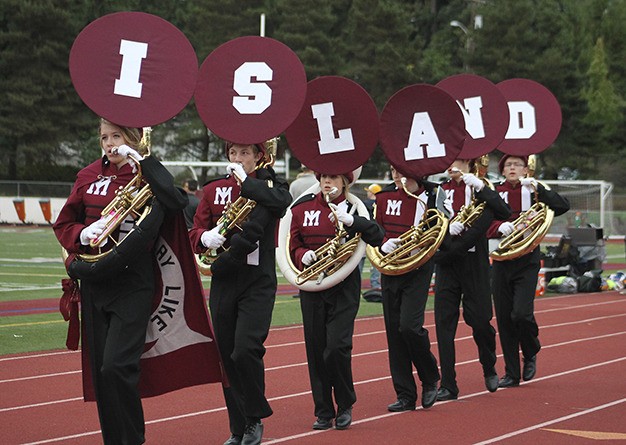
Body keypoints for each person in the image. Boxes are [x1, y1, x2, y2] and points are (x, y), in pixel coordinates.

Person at [53, 118, 188, 445]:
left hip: (133, 285)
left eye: (117, 136)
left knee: (117, 367)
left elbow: (174, 201)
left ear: (135, 137)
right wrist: (81, 233)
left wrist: (141, 159)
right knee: (103, 375)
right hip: (95, 285)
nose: (110, 144)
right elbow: (64, 224)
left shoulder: (147, 176)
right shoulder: (87, 175)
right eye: (105, 137)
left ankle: (132, 439)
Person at [189, 141, 291, 445]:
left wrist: (247, 182)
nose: (237, 159)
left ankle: (255, 417)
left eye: (244, 153)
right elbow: (194, 232)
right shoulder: (213, 189)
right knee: (226, 356)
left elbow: (280, 202)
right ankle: (239, 426)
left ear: (258, 156)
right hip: (223, 280)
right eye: (232, 153)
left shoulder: (270, 185)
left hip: (257, 280)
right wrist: (205, 237)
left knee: (246, 348)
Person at [289, 170, 383, 430]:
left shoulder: (356, 208)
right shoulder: (302, 208)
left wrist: (353, 222)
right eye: (323, 177)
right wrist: (302, 255)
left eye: (333, 177)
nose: (327, 181)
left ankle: (344, 404)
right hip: (313, 286)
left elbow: (377, 235)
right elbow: (292, 244)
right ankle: (323, 410)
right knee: (316, 350)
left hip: (343, 287)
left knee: (337, 347)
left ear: (345, 181)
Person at [488, 154, 569, 388]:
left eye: (517, 165)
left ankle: (531, 349)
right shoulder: (493, 191)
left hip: (527, 259)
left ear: (526, 169)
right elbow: (483, 222)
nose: (512, 168)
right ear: (502, 170)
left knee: (521, 314)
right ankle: (512, 372)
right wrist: (499, 227)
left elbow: (562, 205)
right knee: (504, 319)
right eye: (508, 165)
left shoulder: (534, 190)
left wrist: (539, 190)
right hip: (501, 259)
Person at [433, 158, 511, 401]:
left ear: (469, 163)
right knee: (443, 326)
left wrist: (480, 186)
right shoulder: (440, 190)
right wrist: (446, 231)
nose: (451, 165)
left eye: (457, 161)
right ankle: (448, 384)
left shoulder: (480, 189)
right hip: (446, 264)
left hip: (473, 263)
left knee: (479, 321)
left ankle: (489, 366)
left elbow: (503, 212)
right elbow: (430, 222)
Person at [374, 165, 444, 412]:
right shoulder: (382, 197)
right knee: (394, 333)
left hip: (418, 268)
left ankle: (429, 376)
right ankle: (405, 394)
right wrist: (383, 243)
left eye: (401, 170)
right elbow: (375, 230)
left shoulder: (434, 196)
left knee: (409, 327)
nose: (396, 175)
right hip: (391, 268)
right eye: (393, 170)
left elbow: (442, 228)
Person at [362, 184, 382, 291]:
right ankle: (375, 284)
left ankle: (356, 285)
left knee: (359, 260)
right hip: (377, 234)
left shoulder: (363, 204)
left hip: (364, 235)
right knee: (376, 261)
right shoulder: (381, 204)